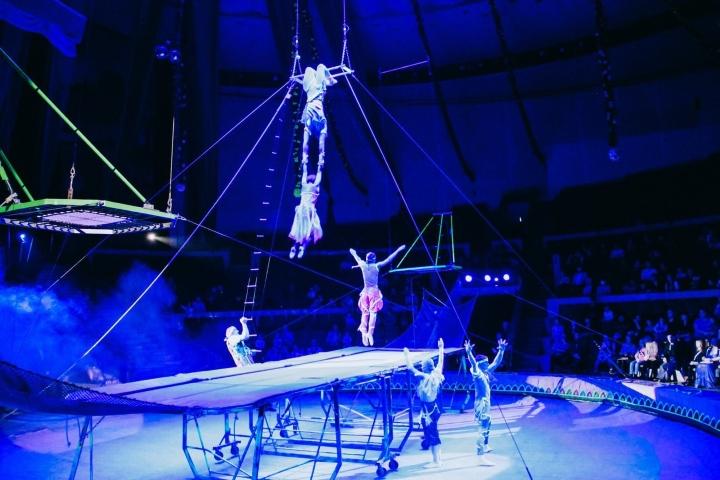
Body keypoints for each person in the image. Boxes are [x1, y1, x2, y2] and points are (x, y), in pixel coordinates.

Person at [349, 244, 406, 346]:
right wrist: (398, 250)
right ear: (374, 259)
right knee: (373, 313)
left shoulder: (362, 264)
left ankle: (363, 331)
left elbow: (357, 258)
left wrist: (353, 253)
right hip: (373, 292)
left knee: (365, 313)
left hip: (365, 292)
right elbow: (388, 260)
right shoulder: (376, 266)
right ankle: (370, 333)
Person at [404, 338, 445, 468]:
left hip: (429, 411)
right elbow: (441, 361)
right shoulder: (436, 373)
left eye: (422, 365)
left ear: (425, 367)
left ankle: (436, 462)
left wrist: (407, 355)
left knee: (432, 434)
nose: (421, 367)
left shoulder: (425, 376)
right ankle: (438, 458)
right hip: (433, 409)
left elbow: (410, 368)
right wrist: (441, 348)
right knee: (431, 433)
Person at [465, 338, 507, 461]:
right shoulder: (477, 373)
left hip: (486, 403)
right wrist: (469, 352)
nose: (488, 364)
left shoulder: (485, 371)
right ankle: (480, 455)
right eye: (486, 363)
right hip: (481, 404)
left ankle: (485, 445)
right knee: (482, 427)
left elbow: (496, 362)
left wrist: (501, 350)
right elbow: (473, 363)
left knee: (488, 423)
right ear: (481, 364)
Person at [297, 64, 338, 165]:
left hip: (311, 92)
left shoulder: (315, 128)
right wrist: (319, 160)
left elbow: (312, 144)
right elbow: (314, 144)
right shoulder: (316, 127)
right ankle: (330, 81)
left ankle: (330, 81)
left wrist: (305, 160)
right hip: (315, 92)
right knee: (316, 68)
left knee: (311, 68)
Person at [289, 159, 323, 259]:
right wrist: (320, 162)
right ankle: (302, 247)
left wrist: (304, 161)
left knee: (298, 230)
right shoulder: (316, 186)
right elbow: (319, 173)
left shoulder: (304, 185)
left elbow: (304, 172)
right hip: (309, 211)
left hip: (301, 210)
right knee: (311, 232)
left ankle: (294, 246)